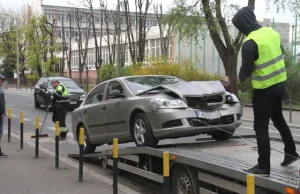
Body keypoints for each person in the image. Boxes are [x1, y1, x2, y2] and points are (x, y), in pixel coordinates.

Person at [232, 6, 299, 177]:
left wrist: (239, 77)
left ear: (243, 24)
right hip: (279, 85)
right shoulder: (272, 33)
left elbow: (245, 72)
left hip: (264, 89)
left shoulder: (250, 43)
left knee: (260, 127)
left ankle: (263, 167)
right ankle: (291, 152)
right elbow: (281, 53)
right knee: (278, 119)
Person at [0, 74, 7, 157]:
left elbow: (2, 103)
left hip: (0, 114)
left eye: (1, 80)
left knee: (0, 133)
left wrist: (3, 112)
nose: (0, 81)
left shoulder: (1, 90)